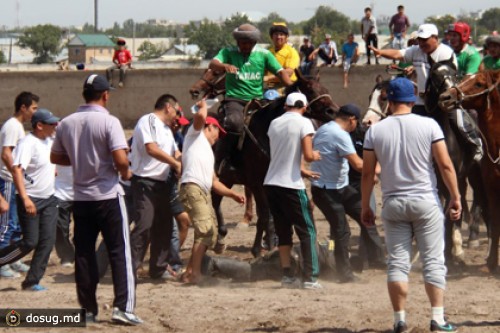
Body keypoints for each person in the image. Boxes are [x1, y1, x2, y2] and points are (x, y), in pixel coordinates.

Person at [361, 78, 460, 333]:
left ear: (389, 101)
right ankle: (437, 319)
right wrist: (456, 196)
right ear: (412, 99)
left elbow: (367, 173)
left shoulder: (375, 130)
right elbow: (445, 164)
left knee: (397, 263)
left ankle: (399, 320)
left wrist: (365, 206)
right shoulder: (429, 125)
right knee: (433, 261)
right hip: (425, 200)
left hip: (393, 202)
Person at [50, 74, 142, 325]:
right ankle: (123, 307)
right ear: (105, 95)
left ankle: (88, 310)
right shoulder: (109, 122)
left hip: (81, 198)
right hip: (108, 196)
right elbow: (121, 160)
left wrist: (81, 161)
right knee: (120, 251)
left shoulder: (67, 123)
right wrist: (124, 172)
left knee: (84, 254)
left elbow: (56, 157)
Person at [369, 23, 483, 162]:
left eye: (425, 39)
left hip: (444, 99)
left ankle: (476, 145)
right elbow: (398, 54)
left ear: (435, 38)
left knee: (459, 123)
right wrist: (381, 53)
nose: (421, 43)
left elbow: (439, 76)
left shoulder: (445, 53)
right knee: (408, 125)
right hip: (421, 101)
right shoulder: (416, 50)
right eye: (420, 39)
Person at [310, 104, 384, 283]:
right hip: (327, 190)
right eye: (355, 122)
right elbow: (358, 165)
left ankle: (375, 257)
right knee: (342, 230)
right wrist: (381, 167)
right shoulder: (340, 134)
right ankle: (344, 273)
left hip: (340, 187)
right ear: (352, 119)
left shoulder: (324, 129)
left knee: (366, 216)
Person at [209, 23, 292, 170]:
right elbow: (213, 63)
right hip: (235, 100)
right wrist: (224, 66)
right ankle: (223, 160)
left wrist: (292, 88)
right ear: (237, 42)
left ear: (254, 42)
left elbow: (280, 72)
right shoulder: (228, 52)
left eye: (248, 43)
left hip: (258, 101)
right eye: (242, 43)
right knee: (234, 123)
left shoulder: (264, 54)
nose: (245, 46)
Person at [179, 100, 245, 284]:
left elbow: (215, 182)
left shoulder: (207, 151)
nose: (218, 137)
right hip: (193, 188)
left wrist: (233, 194)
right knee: (205, 232)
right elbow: (200, 117)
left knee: (210, 232)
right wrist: (203, 106)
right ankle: (194, 274)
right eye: (218, 132)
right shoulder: (195, 135)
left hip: (201, 191)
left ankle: (190, 271)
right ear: (210, 127)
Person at [263, 92, 322, 289]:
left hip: (271, 182)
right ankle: (310, 277)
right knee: (307, 231)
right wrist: (314, 155)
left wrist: (302, 169)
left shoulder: (274, 123)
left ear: (286, 106)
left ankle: (287, 274)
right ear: (303, 106)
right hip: (291, 185)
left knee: (283, 231)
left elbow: (282, 154)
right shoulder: (304, 123)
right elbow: (307, 154)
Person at [0, 109, 59, 291]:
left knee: (47, 241)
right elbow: (17, 170)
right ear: (39, 126)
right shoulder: (28, 143)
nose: (55, 126)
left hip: (49, 198)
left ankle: (31, 281)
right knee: (30, 242)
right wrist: (25, 198)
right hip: (31, 198)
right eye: (51, 123)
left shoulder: (50, 141)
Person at [129, 94, 182, 279]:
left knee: (164, 226)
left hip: (163, 183)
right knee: (144, 225)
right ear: (168, 107)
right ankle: (131, 268)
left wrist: (183, 159)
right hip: (145, 182)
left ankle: (158, 268)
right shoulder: (148, 120)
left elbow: (175, 152)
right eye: (176, 110)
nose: (176, 115)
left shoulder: (167, 130)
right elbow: (151, 148)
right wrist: (175, 164)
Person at [0, 91, 38, 279]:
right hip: (7, 180)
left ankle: (12, 259)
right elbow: (6, 154)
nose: (34, 111)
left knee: (15, 224)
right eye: (33, 108)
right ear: (23, 107)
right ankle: (2, 262)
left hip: (14, 181)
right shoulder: (13, 126)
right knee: (6, 224)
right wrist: (16, 175)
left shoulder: (17, 127)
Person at [265, 23, 300, 93]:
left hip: (287, 86)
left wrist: (268, 78)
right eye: (276, 34)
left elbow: (289, 72)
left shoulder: (291, 52)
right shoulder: (268, 52)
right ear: (271, 37)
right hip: (269, 86)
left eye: (281, 34)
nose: (278, 37)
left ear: (286, 37)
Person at [54, 165, 75, 267]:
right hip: (60, 192)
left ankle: (80, 252)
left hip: (82, 193)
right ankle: (66, 255)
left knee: (83, 229)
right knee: (61, 227)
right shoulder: (55, 148)